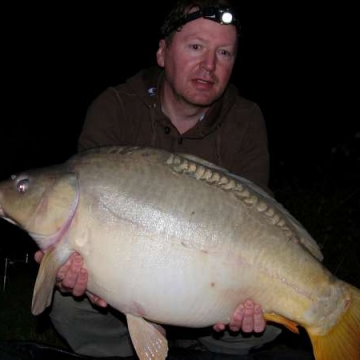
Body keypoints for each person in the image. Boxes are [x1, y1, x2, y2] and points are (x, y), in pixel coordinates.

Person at [35, 0, 282, 357]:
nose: (209, 66)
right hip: (122, 292)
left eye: (224, 53)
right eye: (196, 47)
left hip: (210, 294)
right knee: (66, 292)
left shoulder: (245, 121)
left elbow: (258, 218)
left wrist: (250, 298)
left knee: (266, 321)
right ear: (163, 53)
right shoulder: (117, 108)